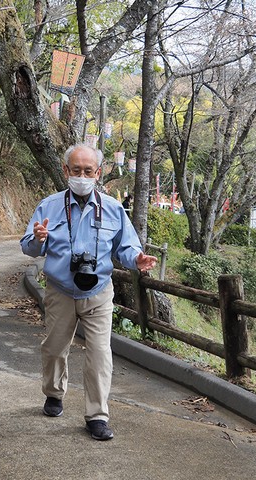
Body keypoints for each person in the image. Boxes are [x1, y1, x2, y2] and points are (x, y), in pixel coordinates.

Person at [20, 144, 157, 441]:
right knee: (54, 348)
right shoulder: (49, 206)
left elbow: (127, 246)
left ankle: (97, 414)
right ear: (66, 171)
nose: (82, 176)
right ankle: (54, 393)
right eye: (76, 170)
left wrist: (137, 259)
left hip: (98, 291)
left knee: (99, 353)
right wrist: (38, 239)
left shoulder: (112, 208)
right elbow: (29, 246)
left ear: (98, 173)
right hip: (59, 290)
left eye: (88, 171)